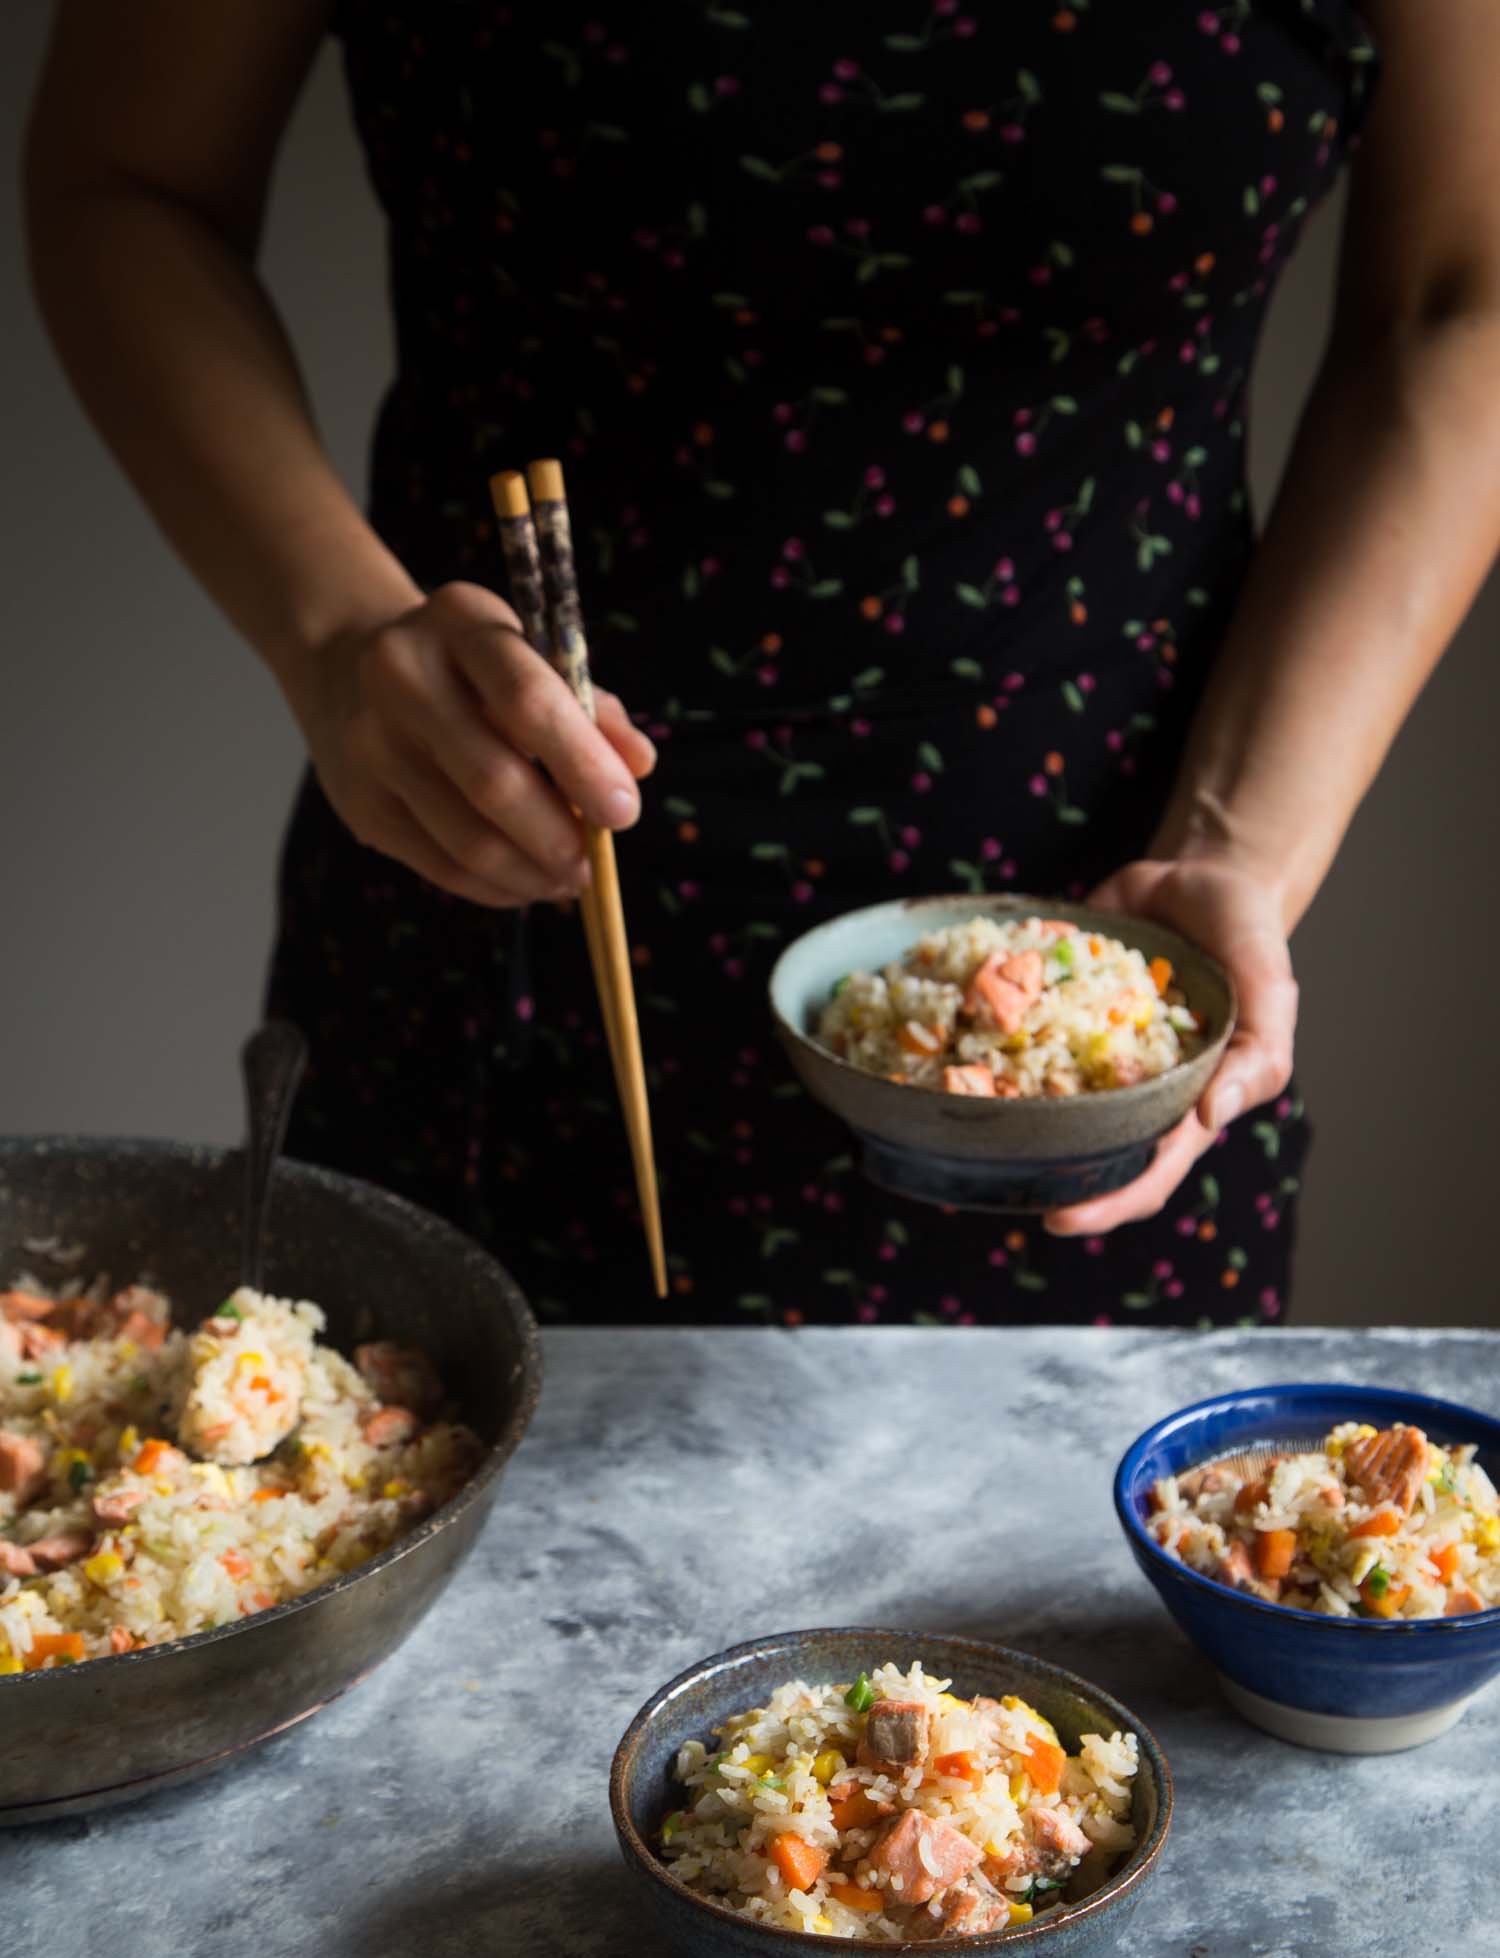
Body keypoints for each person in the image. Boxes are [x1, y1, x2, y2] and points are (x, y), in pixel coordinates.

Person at [25, 2, 1500, 1325]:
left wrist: (1243, 844)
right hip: (496, 879)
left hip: (1110, 982)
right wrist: (337, 635)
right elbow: (128, 182)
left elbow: (1463, 291)